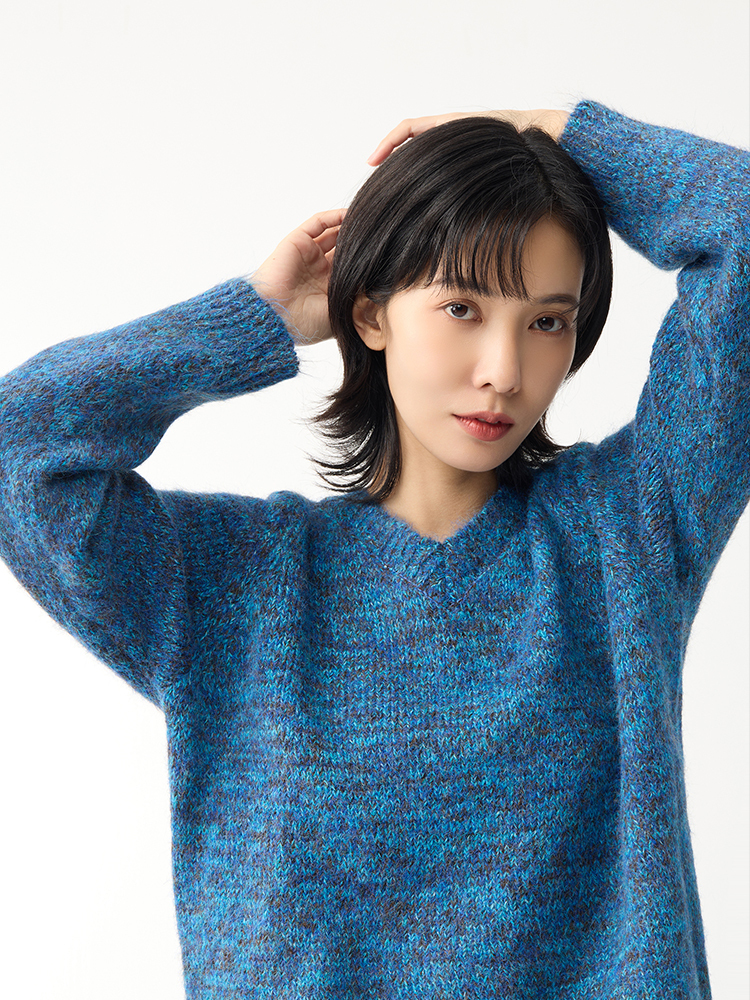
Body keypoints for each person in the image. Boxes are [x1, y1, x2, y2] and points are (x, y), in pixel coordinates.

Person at [0, 99, 747, 999]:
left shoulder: (625, 533)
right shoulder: (234, 587)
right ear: (371, 315)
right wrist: (255, 319)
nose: (504, 370)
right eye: (462, 307)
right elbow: (20, 446)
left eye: (547, 321)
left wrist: (562, 131)